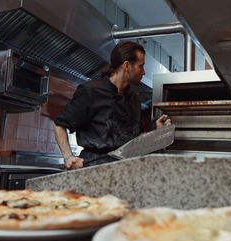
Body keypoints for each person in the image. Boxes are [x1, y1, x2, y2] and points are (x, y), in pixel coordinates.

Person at [53, 41, 171, 170]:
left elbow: (137, 138)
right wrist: (68, 157)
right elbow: (59, 125)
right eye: (141, 66)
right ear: (127, 66)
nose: (143, 72)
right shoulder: (90, 92)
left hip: (126, 168)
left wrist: (156, 132)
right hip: (94, 168)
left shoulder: (134, 99)